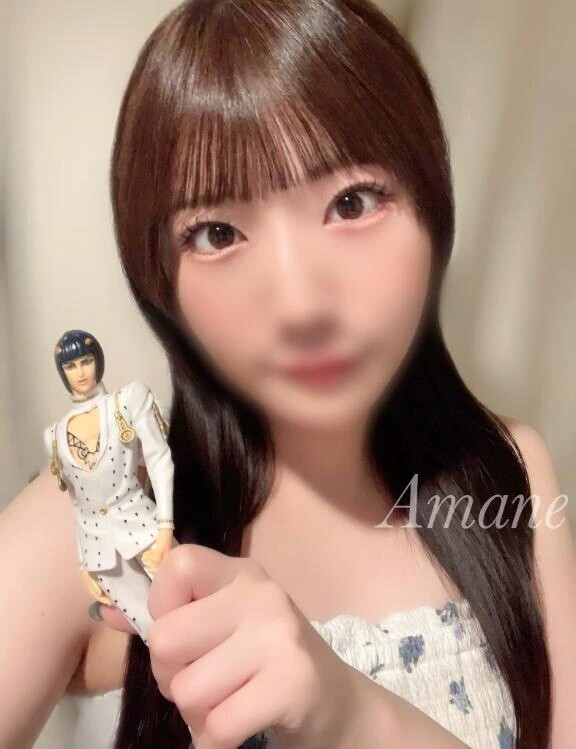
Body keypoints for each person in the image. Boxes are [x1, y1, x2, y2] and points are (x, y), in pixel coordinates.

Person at [1, 1, 574, 748]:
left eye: (352, 202)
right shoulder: (103, 515)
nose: (301, 304)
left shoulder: (510, 472)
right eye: (217, 233)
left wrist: (354, 716)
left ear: (434, 207)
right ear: (159, 279)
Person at [43, 329, 177, 644]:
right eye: (70, 366)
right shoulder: (54, 434)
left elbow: (159, 460)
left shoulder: (126, 401)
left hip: (143, 526)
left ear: (98, 361)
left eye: (86, 361)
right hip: (98, 547)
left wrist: (165, 526)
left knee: (184, 607)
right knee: (151, 632)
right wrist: (84, 563)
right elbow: (78, 502)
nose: (80, 372)